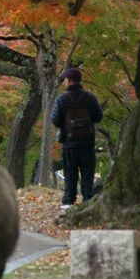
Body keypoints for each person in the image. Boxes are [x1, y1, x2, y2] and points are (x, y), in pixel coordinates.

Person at [51, 68, 102, 211]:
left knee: (70, 173)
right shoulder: (90, 97)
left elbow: (55, 120)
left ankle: (68, 201)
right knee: (87, 173)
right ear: (80, 80)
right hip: (87, 143)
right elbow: (98, 116)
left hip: (69, 144)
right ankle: (88, 200)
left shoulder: (62, 99)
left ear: (68, 80)